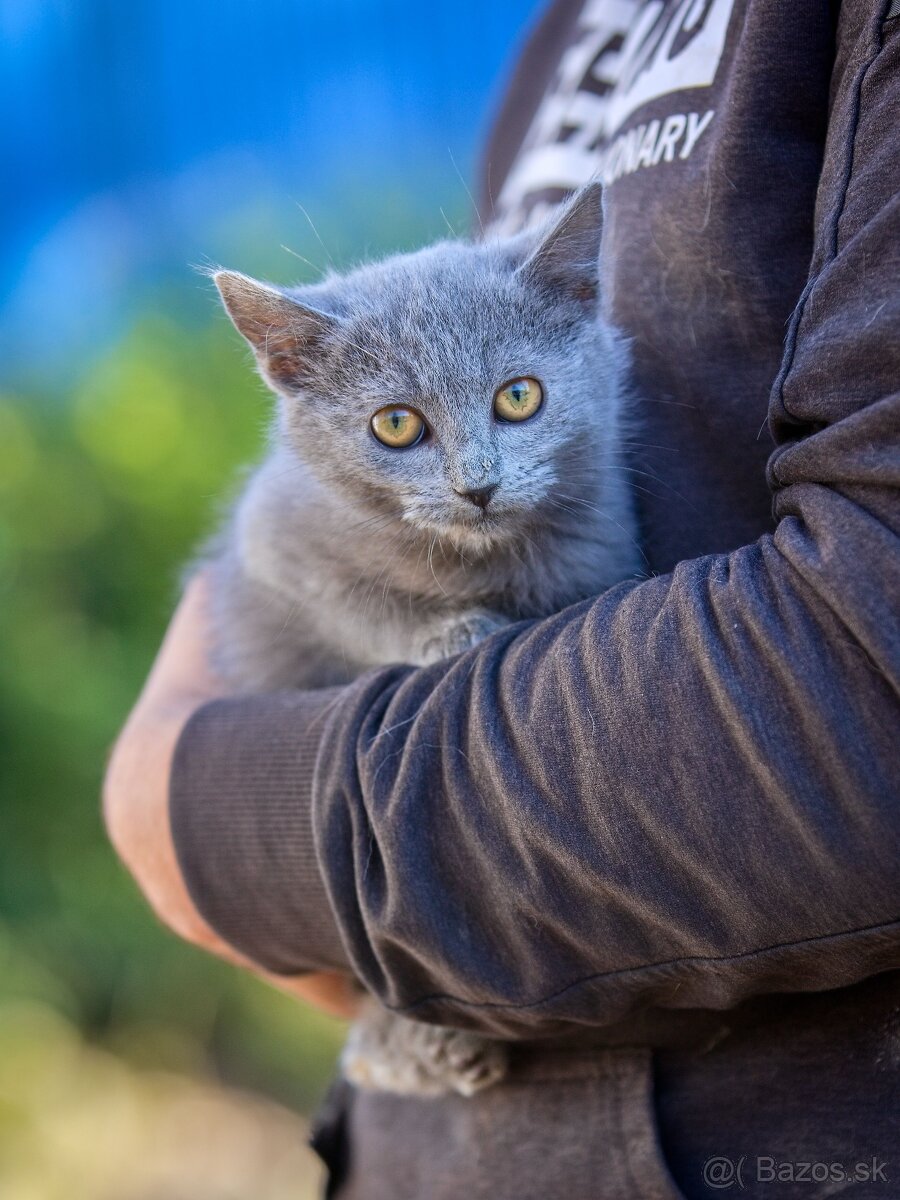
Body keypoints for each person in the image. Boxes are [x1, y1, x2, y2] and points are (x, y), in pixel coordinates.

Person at [104, 1, 900, 1196]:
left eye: (513, 406)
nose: (473, 473)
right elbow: (271, 550)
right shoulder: (567, 33)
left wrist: (206, 809)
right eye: (401, 431)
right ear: (289, 374)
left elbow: (860, 696)